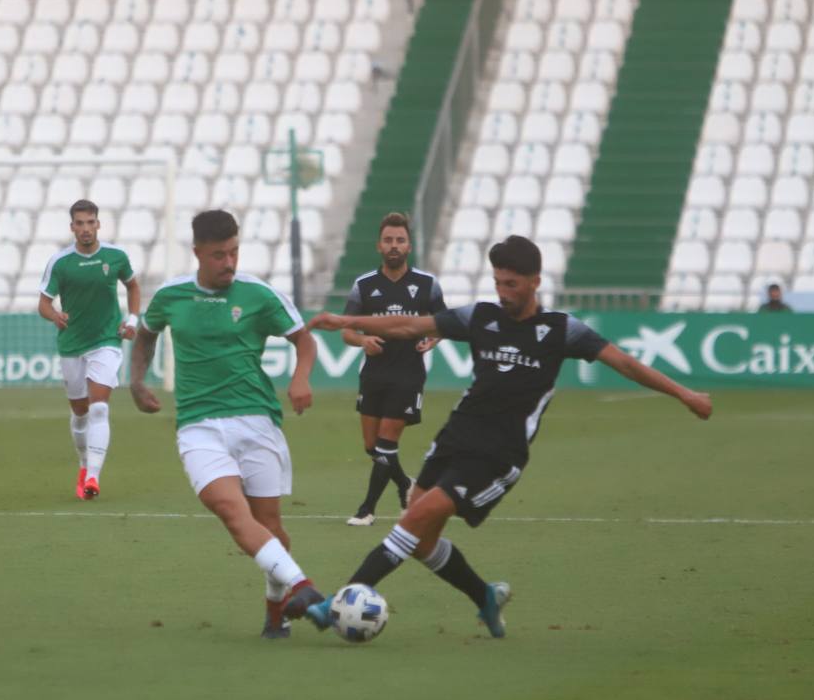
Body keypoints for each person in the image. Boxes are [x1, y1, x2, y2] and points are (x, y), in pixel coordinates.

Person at [305, 235, 713, 638]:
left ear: (535, 281)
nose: (502, 292)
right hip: (456, 436)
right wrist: (348, 321)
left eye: (511, 284)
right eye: (498, 282)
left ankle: (337, 601)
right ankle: (484, 595)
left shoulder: (560, 330)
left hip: (498, 454)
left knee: (415, 518)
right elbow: (411, 324)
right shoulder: (481, 317)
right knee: (421, 536)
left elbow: (623, 363)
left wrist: (684, 393)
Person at [129, 209, 326, 639]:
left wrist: (300, 377)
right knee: (232, 513)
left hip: (258, 421)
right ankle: (303, 586)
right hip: (199, 426)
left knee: (270, 529)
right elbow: (146, 333)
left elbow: (303, 339)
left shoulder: (257, 294)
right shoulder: (170, 295)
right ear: (198, 253)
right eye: (219, 255)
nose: (230, 263)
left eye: (235, 252)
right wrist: (136, 379)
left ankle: (276, 611)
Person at [341, 211, 445, 526]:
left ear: (409, 246)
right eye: (389, 240)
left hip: (408, 375)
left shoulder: (427, 284)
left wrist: (432, 340)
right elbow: (347, 331)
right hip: (373, 375)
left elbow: (444, 323)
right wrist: (363, 341)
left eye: (400, 240)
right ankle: (405, 485)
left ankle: (367, 509)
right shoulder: (364, 285)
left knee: (387, 442)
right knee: (372, 447)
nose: (394, 245)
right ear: (379, 246)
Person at [38, 199, 141, 500]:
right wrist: (55, 314)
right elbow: (43, 303)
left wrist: (132, 319)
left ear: (98, 224)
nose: (85, 228)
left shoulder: (116, 256)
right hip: (72, 345)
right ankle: (84, 465)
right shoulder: (61, 262)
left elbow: (133, 286)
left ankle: (93, 477)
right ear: (72, 227)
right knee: (80, 413)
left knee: (99, 407)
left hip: (107, 340)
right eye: (79, 223)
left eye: (90, 222)